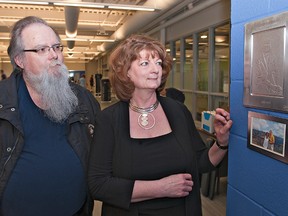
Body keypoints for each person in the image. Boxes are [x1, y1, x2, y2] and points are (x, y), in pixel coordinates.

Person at [88, 34, 233, 216]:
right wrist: (160, 188)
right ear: (126, 73)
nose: (156, 69)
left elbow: (200, 163)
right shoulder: (108, 119)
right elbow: (98, 184)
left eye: (158, 63)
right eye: (145, 63)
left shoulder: (178, 111)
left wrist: (221, 143)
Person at [0, 16, 101, 216]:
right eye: (41, 49)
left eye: (56, 47)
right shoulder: (3, 101)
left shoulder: (83, 99)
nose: (54, 55)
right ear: (19, 60)